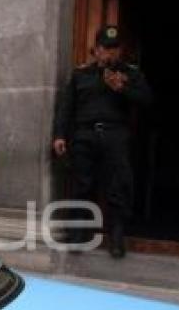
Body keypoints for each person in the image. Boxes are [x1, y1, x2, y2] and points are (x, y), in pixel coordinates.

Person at [52, 25, 152, 258]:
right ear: (96, 50)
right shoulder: (81, 74)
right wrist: (59, 135)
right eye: (106, 48)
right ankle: (78, 236)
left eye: (115, 48)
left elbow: (147, 101)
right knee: (82, 186)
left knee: (118, 187)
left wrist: (123, 88)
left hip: (116, 136)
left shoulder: (130, 74)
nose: (110, 53)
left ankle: (116, 238)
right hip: (84, 136)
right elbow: (67, 108)